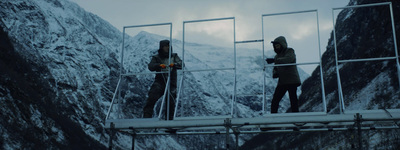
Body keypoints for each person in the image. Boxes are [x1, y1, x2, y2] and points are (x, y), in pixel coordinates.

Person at [143, 40, 182, 120]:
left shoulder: (174, 56)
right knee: (152, 98)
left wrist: (174, 65)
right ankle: (146, 119)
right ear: (161, 47)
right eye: (165, 46)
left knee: (171, 102)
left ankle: (169, 122)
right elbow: (151, 66)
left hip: (171, 83)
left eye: (168, 46)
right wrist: (159, 65)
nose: (167, 47)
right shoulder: (156, 57)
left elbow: (181, 64)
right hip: (160, 81)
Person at [266, 36, 301, 113]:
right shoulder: (277, 56)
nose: (276, 47)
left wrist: (274, 60)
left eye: (277, 45)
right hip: (283, 81)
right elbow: (276, 67)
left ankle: (296, 117)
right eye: (275, 46)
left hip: (292, 80)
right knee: (275, 100)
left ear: (282, 44)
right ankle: (273, 116)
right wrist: (275, 73)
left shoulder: (290, 51)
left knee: (293, 100)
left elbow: (288, 59)